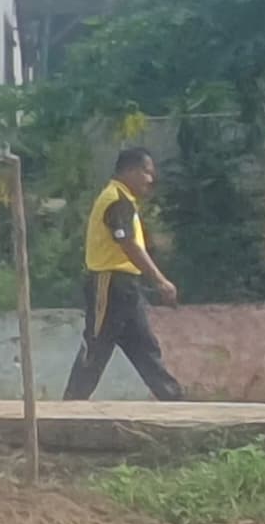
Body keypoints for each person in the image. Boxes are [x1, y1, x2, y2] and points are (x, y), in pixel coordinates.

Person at [62, 147, 185, 401]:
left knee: (144, 346)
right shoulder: (116, 199)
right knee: (96, 345)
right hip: (108, 283)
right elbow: (128, 244)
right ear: (130, 170)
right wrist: (160, 281)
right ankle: (71, 404)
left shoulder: (125, 201)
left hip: (126, 286)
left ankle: (174, 400)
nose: (151, 179)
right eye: (147, 172)